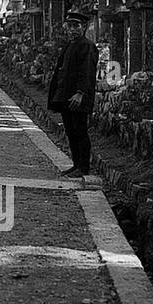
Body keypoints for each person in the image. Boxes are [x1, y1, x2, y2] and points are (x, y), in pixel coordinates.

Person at [47, 10, 99, 179]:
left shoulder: (87, 46)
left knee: (80, 130)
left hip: (78, 97)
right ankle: (76, 164)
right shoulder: (70, 45)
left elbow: (87, 72)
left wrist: (80, 93)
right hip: (66, 96)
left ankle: (83, 167)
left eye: (76, 26)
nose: (72, 30)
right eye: (70, 26)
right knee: (70, 131)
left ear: (84, 27)